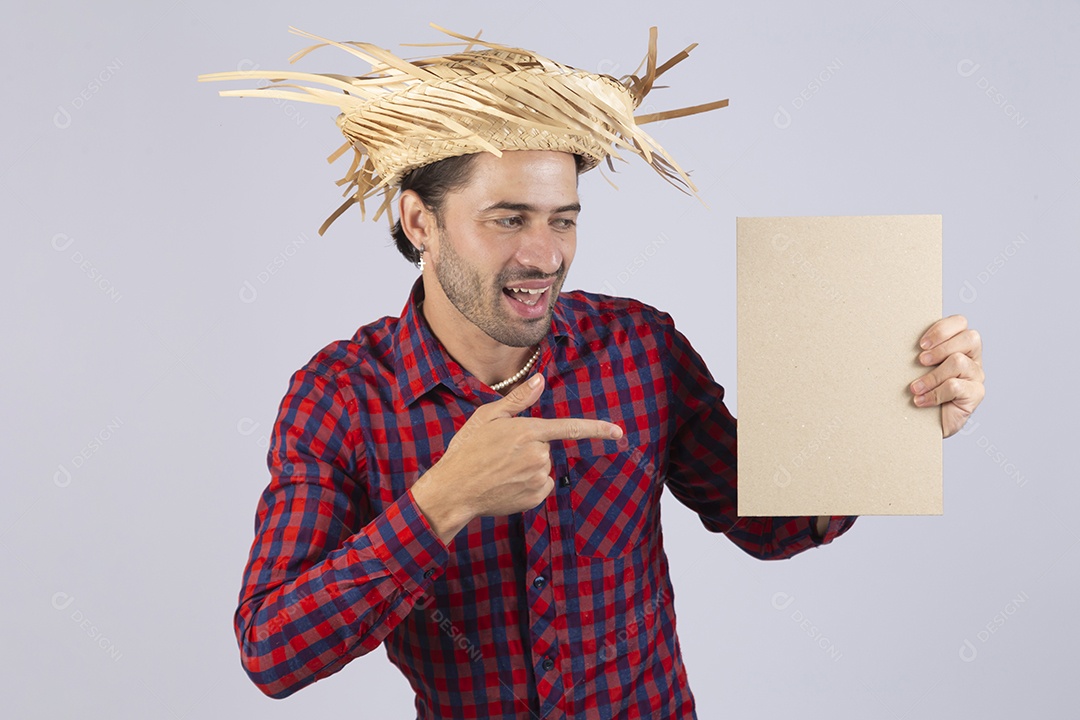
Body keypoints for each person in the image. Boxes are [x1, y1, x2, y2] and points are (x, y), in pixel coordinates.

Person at [199, 26, 985, 719]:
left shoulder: (639, 348)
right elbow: (273, 651)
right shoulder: (341, 397)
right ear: (419, 221)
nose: (544, 256)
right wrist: (442, 501)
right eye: (508, 219)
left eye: (562, 220)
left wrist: (897, 413)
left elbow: (772, 523)